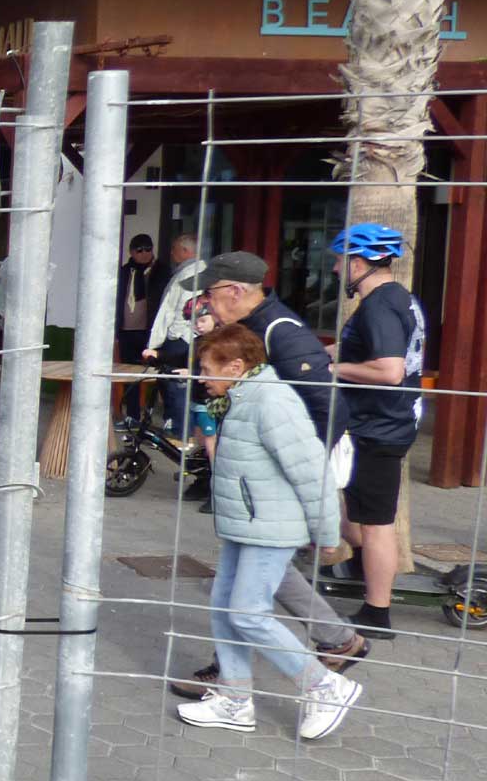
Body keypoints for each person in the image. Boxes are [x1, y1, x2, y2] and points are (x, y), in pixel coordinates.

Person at [168, 251, 373, 698]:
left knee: (251, 584)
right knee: (259, 572)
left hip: (281, 478)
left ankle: (259, 679)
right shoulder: (248, 328)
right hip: (258, 482)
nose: (205, 304)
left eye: (209, 294)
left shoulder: (282, 332)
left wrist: (287, 472)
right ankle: (334, 641)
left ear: (234, 291)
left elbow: (327, 410)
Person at [327, 223, 426, 640]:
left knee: (375, 523)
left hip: (380, 426)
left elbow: (389, 370)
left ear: (358, 263)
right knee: (358, 513)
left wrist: (335, 369)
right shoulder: (398, 298)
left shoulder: (379, 306)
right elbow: (371, 352)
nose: (335, 270)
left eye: (339, 261)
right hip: (381, 421)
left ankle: (377, 612)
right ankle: (360, 566)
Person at [141, 234, 203, 436]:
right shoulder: (185, 271)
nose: (171, 253)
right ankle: (176, 427)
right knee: (171, 383)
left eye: (174, 249)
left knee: (178, 384)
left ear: (185, 251)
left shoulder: (194, 272)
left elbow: (186, 309)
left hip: (182, 338)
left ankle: (181, 432)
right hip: (182, 336)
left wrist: (175, 334)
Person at [115, 234, 162, 425]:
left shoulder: (159, 270)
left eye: (148, 249)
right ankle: (132, 415)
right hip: (126, 330)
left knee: (156, 373)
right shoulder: (124, 271)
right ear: (132, 252)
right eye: (140, 250)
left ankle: (153, 414)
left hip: (149, 332)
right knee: (130, 374)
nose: (144, 253)